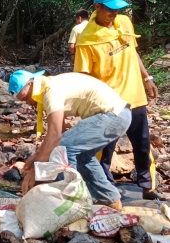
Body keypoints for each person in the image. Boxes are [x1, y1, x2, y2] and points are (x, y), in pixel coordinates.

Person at [74, 0, 164, 200]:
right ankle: (106, 190)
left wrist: (147, 78)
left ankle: (147, 187)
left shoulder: (123, 22)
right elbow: (84, 78)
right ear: (97, 6)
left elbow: (133, 51)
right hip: (109, 104)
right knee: (104, 149)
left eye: (117, 9)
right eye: (110, 9)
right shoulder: (87, 40)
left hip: (135, 96)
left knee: (142, 145)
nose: (114, 13)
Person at [9, 70, 132, 210]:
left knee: (64, 149)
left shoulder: (50, 91)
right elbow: (57, 133)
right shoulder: (48, 86)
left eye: (26, 98)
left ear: (30, 84)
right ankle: (110, 200)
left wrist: (36, 170)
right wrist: (37, 156)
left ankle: (71, 202)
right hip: (120, 115)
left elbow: (56, 137)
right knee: (82, 156)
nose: (29, 103)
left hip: (113, 116)